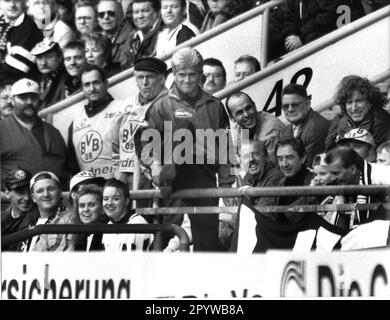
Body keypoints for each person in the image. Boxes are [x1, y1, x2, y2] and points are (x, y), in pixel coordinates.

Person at [135, 47, 235, 251]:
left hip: (204, 177)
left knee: (207, 244)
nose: (187, 80)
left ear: (201, 75)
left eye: (192, 75)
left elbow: (225, 147)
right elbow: (144, 141)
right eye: (182, 75)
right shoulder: (162, 105)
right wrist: (155, 165)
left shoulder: (215, 105)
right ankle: (165, 173)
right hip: (173, 179)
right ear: (174, 75)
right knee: (173, 238)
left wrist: (226, 184)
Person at [109, 57, 168, 196]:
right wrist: (118, 167)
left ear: (162, 79)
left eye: (150, 77)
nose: (145, 82)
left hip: (153, 174)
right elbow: (114, 139)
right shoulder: (127, 105)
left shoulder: (169, 103)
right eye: (140, 77)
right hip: (125, 174)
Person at [0, 78, 70, 189]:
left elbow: (68, 168)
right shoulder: (2, 130)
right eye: (22, 97)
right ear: (12, 100)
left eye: (33, 97)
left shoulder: (53, 132)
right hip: (13, 201)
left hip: (53, 200)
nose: (29, 102)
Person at [67, 65, 126, 179]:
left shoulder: (122, 108)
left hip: (117, 188)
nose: (92, 88)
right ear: (82, 88)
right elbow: (71, 165)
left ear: (106, 83)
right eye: (87, 85)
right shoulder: (76, 119)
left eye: (96, 83)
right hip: (89, 189)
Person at [226, 91, 285, 176]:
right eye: (239, 112)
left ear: (254, 105)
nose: (246, 114)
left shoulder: (270, 131)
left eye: (248, 108)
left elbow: (266, 172)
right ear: (232, 119)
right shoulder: (240, 127)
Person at [326, 75, 390, 151]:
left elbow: (377, 157)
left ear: (370, 101)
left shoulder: (381, 122)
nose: (354, 108)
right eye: (349, 102)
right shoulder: (342, 122)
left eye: (359, 101)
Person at [280, 83, 330, 166]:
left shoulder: (316, 127)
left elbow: (306, 166)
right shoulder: (287, 130)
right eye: (285, 106)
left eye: (295, 105)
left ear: (307, 105)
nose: (290, 109)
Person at [27, 171, 76, 251]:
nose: (46, 194)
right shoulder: (26, 222)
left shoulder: (70, 220)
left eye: (51, 189)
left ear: (60, 192)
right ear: (33, 197)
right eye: (40, 191)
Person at [101, 178, 153, 251]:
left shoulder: (137, 224)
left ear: (126, 201)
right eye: (106, 199)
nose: (109, 203)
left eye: (116, 199)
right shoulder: (109, 226)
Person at [1, 168, 38, 251]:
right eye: (20, 192)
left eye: (29, 191)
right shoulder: (2, 220)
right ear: (7, 193)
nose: (27, 197)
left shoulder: (41, 217)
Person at [31, 38, 67, 110]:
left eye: (49, 57)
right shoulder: (39, 80)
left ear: (59, 58)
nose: (43, 63)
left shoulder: (67, 79)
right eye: (39, 58)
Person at [97, 0, 134, 69]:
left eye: (111, 13)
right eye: (101, 14)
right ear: (98, 19)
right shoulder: (96, 38)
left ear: (121, 15)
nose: (106, 17)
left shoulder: (133, 39)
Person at [73, 184, 107, 251]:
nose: (86, 209)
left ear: (102, 209)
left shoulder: (108, 233)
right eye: (82, 206)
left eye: (91, 205)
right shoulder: (76, 235)